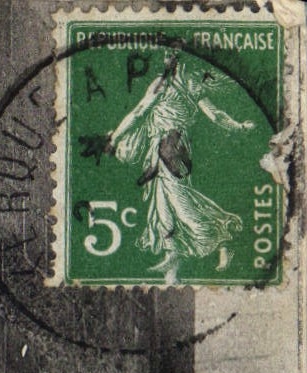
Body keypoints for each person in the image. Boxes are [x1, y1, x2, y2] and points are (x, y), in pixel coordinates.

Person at [104, 51, 254, 279]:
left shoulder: (167, 84)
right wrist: (239, 126)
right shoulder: (188, 84)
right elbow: (216, 116)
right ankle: (172, 257)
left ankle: (224, 239)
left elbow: (138, 112)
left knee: (180, 202)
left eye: (171, 55)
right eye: (166, 55)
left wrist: (114, 138)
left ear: (180, 61)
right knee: (162, 201)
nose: (167, 59)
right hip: (172, 146)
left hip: (169, 146)